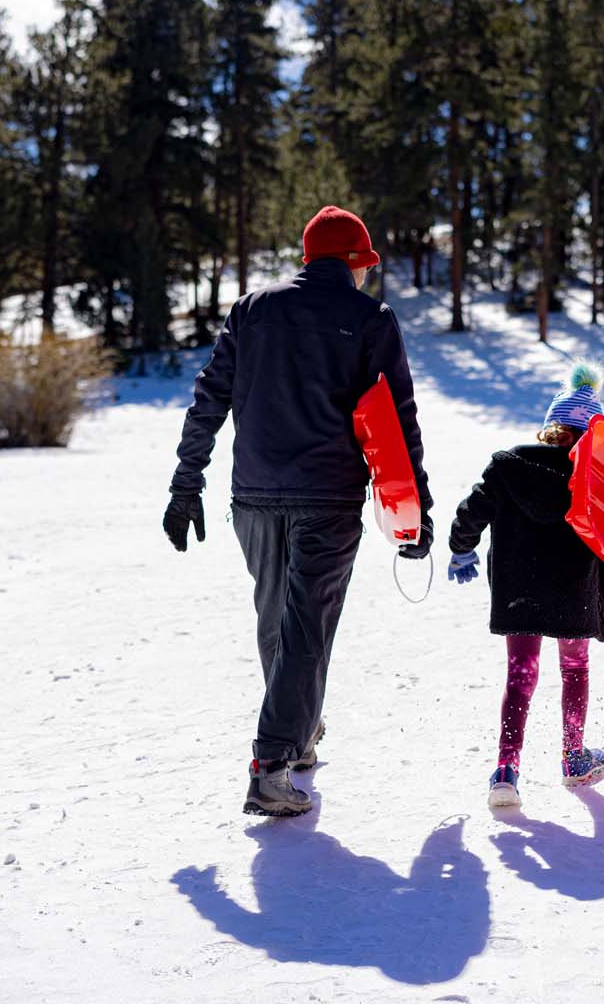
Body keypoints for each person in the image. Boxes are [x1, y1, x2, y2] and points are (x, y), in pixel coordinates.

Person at [164, 205, 433, 818]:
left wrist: (186, 485)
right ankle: (272, 766)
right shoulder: (371, 318)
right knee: (305, 628)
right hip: (328, 498)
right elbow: (400, 422)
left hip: (253, 498)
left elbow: (209, 398)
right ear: (357, 263)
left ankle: (298, 739)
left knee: (279, 621)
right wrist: (417, 508)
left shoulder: (253, 309)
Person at [446, 361, 604, 809]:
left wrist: (461, 548)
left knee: (521, 676)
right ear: (590, 436)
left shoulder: (507, 466)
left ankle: (506, 771)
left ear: (550, 427)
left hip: (519, 588)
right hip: (574, 592)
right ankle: (573, 757)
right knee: (574, 670)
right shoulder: (596, 477)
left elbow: (471, 511)